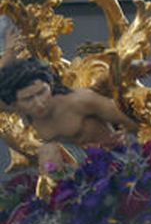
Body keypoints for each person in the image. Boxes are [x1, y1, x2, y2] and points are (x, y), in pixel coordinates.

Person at [0, 58, 137, 170]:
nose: (39, 103)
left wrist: (128, 139)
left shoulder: (80, 101)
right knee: (48, 152)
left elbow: (133, 123)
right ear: (14, 103)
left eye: (42, 92)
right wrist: (9, 51)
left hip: (116, 158)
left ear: (50, 85)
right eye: (28, 99)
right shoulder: (20, 109)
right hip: (76, 174)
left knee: (49, 150)